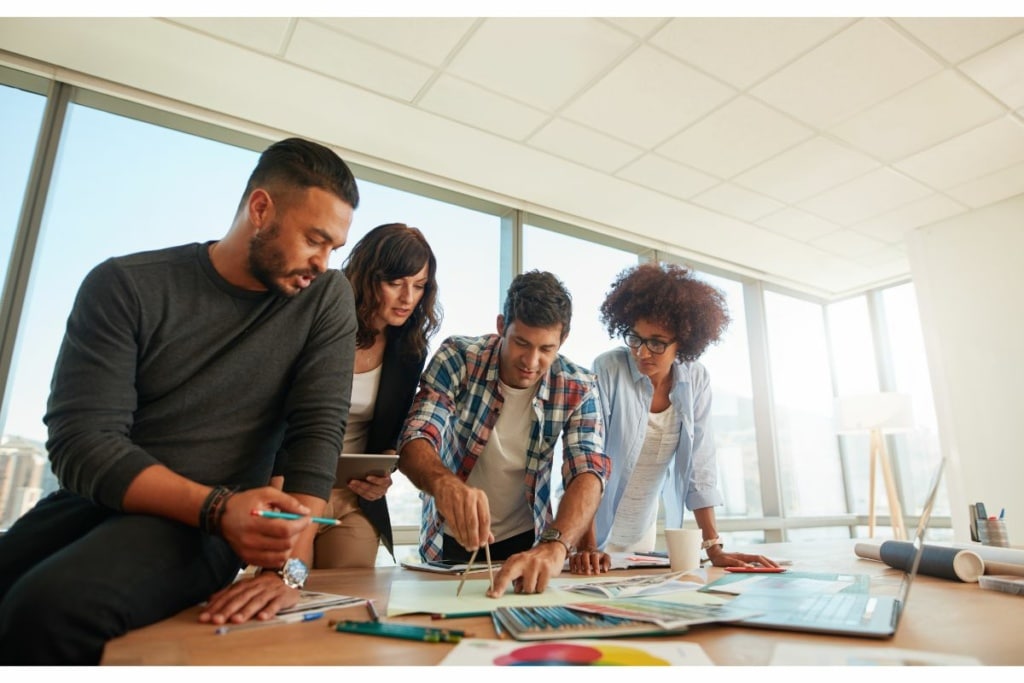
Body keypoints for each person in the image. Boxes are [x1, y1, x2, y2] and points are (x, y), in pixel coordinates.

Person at [0, 137, 360, 665]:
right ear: (261, 209)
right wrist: (218, 507)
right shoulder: (123, 285)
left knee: (47, 610)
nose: (322, 262)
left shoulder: (324, 299)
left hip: (207, 529)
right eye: (314, 239)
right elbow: (82, 443)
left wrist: (285, 570)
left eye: (333, 248)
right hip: (112, 501)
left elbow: (316, 432)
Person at [398, 270, 610, 598]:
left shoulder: (579, 386)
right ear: (501, 326)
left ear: (563, 340)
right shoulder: (459, 357)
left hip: (528, 543)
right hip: (449, 540)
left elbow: (588, 471)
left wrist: (556, 547)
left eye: (546, 348)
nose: (531, 361)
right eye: (521, 343)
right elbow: (416, 437)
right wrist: (445, 485)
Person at [570, 262, 778, 575]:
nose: (642, 353)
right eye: (635, 338)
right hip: (590, 533)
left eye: (657, 342)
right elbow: (589, 457)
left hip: (641, 533)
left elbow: (700, 464)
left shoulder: (695, 380)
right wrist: (586, 546)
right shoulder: (608, 369)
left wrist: (714, 547)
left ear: (683, 341)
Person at [310, 223, 441, 567]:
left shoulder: (409, 350)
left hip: (355, 497)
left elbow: (389, 435)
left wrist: (382, 475)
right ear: (367, 277)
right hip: (294, 486)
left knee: (349, 600)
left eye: (419, 286)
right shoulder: (321, 324)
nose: (408, 298)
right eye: (395, 283)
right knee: (284, 595)